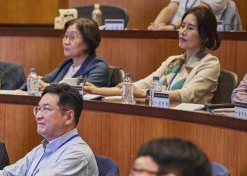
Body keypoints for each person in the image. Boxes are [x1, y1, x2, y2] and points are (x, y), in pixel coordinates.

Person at [85, 6, 221, 104]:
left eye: (190, 28)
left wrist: (145, 94)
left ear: (205, 36)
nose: (182, 31)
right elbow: (143, 84)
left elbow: (186, 95)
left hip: (189, 121)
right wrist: (98, 90)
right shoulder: (173, 60)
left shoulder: (210, 63)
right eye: (182, 26)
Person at [25, 18, 109, 90]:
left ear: (88, 42)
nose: (66, 42)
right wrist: (36, 82)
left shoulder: (98, 67)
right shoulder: (67, 63)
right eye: (65, 36)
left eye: (72, 37)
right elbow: (45, 80)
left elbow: (81, 91)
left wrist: (46, 86)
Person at [148, 0, 228, 30]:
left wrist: (172, 27)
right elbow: (170, 9)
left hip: (197, 36)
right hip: (172, 34)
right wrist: (155, 26)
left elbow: (196, 13)